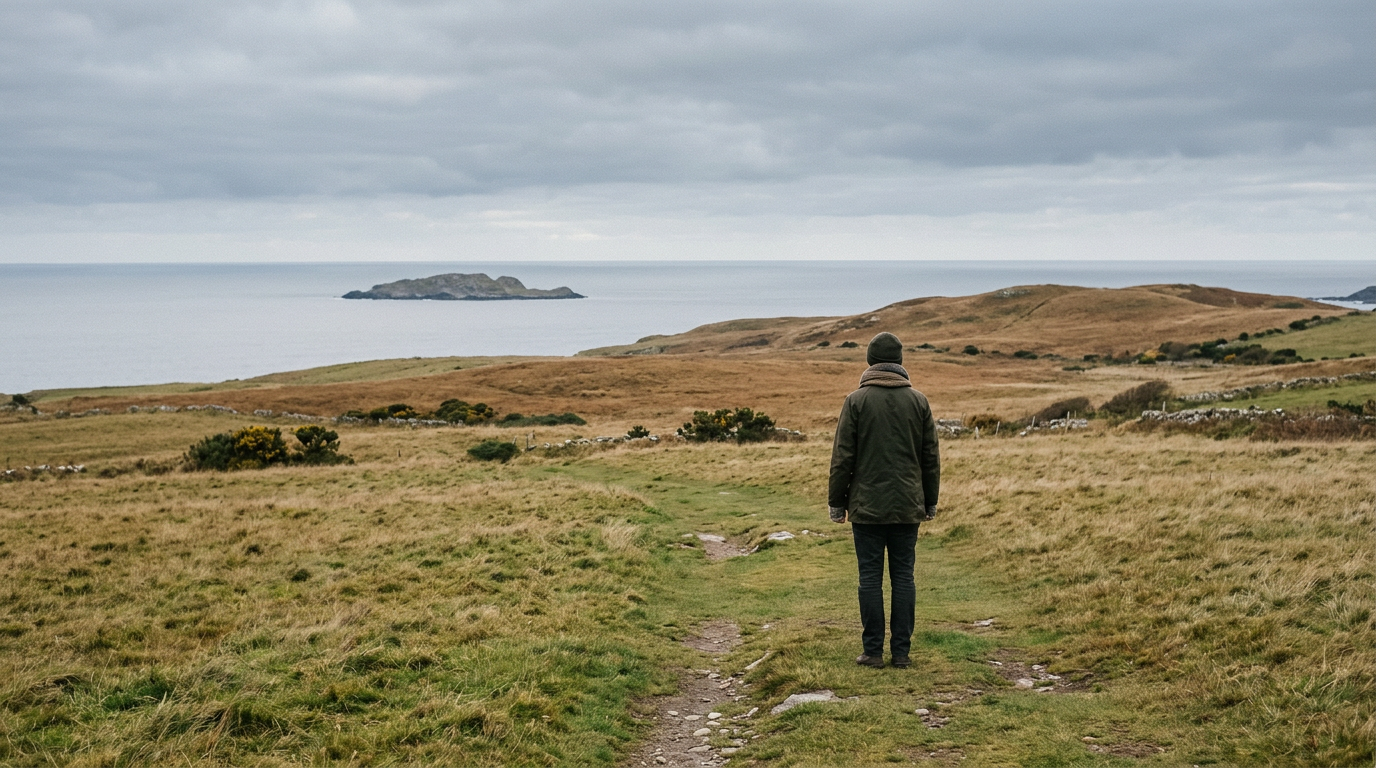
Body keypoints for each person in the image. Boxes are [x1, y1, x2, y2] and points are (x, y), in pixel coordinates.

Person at [828, 332, 940, 669]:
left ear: (870, 361)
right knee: (904, 577)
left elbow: (843, 457)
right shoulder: (919, 401)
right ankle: (902, 654)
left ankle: (873, 652)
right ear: (900, 361)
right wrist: (929, 501)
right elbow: (930, 457)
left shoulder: (856, 401)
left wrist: (837, 502)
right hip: (908, 506)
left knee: (870, 578)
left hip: (867, 507)